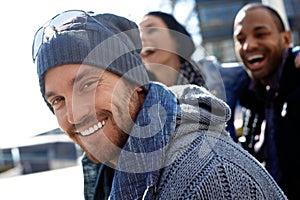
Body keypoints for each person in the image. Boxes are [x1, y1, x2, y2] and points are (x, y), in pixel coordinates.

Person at [32, 10, 287, 199]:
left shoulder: (203, 179)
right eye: (57, 100)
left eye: (88, 84)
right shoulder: (110, 171)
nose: (75, 114)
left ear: (135, 81)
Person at [233, 3, 300, 199]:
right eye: (240, 39)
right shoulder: (246, 97)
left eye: (260, 34)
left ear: (286, 38)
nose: (249, 45)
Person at [139, 11, 234, 140]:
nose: (141, 39)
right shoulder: (140, 97)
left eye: (151, 30)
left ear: (176, 38)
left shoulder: (213, 74)